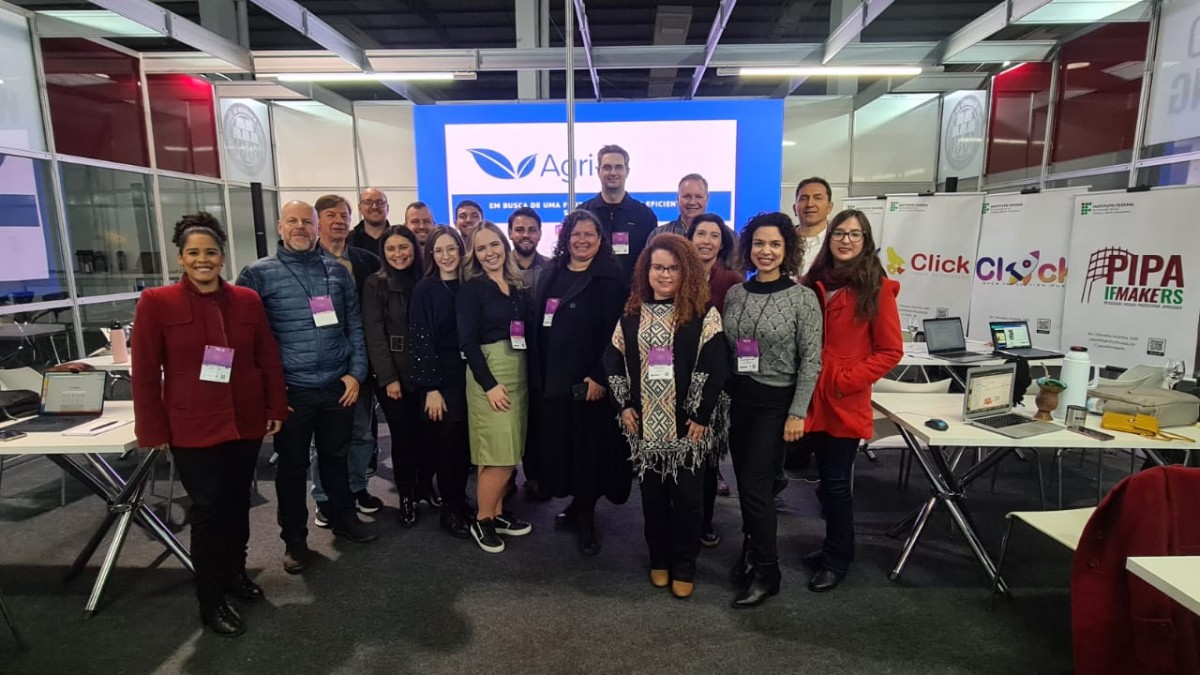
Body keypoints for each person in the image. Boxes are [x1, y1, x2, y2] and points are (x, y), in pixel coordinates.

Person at [132, 213, 287, 637]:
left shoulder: (246, 301)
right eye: (194, 253)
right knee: (208, 510)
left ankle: (235, 575)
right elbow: (144, 371)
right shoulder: (156, 302)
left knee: (238, 503)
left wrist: (276, 404)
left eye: (211, 252)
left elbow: (266, 357)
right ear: (180, 258)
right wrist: (152, 430)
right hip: (191, 425)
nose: (204, 260)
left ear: (222, 256)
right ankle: (210, 597)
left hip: (244, 419)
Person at [238, 200, 378, 576]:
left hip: (337, 386)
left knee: (337, 457)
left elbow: (355, 327)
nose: (300, 227)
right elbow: (247, 340)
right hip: (291, 393)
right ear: (280, 227)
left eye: (307, 222)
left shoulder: (337, 271)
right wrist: (272, 394)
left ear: (317, 228)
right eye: (293, 221)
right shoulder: (257, 275)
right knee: (292, 469)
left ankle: (343, 519)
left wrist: (356, 373)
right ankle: (295, 541)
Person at [603, 234, 730, 599]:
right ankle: (659, 560)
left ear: (686, 271)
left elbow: (714, 366)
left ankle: (685, 565)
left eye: (673, 268)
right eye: (658, 267)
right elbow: (612, 357)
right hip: (645, 430)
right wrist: (623, 404)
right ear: (646, 269)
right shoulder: (631, 313)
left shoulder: (702, 314)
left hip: (686, 430)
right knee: (653, 501)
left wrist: (702, 416)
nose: (664, 274)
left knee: (689, 503)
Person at [722, 211, 823, 608]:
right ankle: (751, 550)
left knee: (755, 488)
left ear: (788, 250)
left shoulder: (802, 298)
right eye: (760, 244)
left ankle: (768, 571)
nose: (766, 251)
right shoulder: (735, 294)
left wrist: (797, 412)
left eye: (775, 244)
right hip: (739, 401)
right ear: (749, 248)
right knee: (749, 485)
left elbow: (811, 359)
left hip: (775, 403)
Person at [800, 209, 902, 592]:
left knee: (836, 483)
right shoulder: (815, 282)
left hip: (842, 400)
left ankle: (839, 558)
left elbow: (890, 351)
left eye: (854, 234)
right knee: (816, 481)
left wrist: (845, 380)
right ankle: (833, 545)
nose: (845, 240)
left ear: (866, 240)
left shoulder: (877, 288)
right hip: (808, 397)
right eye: (840, 233)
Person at [531, 210, 630, 556]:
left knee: (589, 452)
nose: (582, 240)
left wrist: (600, 377)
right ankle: (576, 504)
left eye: (590, 234)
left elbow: (616, 334)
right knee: (563, 449)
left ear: (600, 240)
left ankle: (586, 516)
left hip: (590, 384)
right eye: (576, 233)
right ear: (565, 237)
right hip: (554, 380)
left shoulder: (610, 278)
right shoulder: (552, 272)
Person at [457, 222, 535, 553]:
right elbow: (468, 343)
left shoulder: (517, 286)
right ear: (473, 254)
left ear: (504, 245)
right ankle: (483, 518)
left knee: (509, 448)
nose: (490, 253)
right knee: (498, 453)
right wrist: (489, 385)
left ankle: (498, 512)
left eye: (494, 245)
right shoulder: (472, 289)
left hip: (518, 370)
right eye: (481, 248)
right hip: (489, 373)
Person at [362, 225, 441, 527]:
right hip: (395, 375)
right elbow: (375, 333)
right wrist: (388, 377)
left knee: (430, 436)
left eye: (403, 247)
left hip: (429, 373)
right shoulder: (375, 283)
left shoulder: (428, 279)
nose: (398, 254)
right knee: (404, 439)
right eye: (391, 249)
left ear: (415, 248)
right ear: (384, 252)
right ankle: (406, 496)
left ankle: (425, 486)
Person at [312, 194, 384, 525]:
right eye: (331, 215)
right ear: (318, 222)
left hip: (361, 362)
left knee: (362, 434)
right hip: (320, 366)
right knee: (325, 438)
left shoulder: (367, 261)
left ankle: (356, 487)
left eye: (344, 215)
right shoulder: (306, 262)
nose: (339, 221)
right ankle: (325, 497)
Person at [409, 227, 474, 538]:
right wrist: (430, 389)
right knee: (449, 446)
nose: (446, 256)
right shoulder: (425, 289)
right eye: (439, 251)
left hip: (471, 375)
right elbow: (420, 341)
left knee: (464, 445)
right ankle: (450, 509)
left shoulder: (470, 284)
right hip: (442, 379)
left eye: (452, 249)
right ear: (431, 255)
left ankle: (460, 500)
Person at [686, 212, 743, 545]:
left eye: (713, 236)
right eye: (700, 234)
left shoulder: (732, 281)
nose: (706, 241)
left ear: (722, 243)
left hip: (715, 383)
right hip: (676, 379)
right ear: (689, 237)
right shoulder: (675, 274)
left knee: (707, 460)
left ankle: (705, 521)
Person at [578, 144, 658, 284]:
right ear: (598, 171)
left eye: (619, 167)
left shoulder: (645, 215)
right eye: (607, 167)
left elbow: (652, 260)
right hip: (590, 297)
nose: (613, 173)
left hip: (632, 298)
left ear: (627, 171)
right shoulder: (583, 213)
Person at [793, 177, 835, 279]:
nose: (810, 204)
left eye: (817, 198)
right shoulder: (782, 240)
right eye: (804, 198)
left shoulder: (839, 242)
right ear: (795, 208)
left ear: (830, 207)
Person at [649, 174, 710, 241]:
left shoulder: (720, 235)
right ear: (677, 198)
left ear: (707, 199)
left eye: (698, 197)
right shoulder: (659, 235)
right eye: (686, 196)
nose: (692, 202)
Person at [348, 188, 391, 256]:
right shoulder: (347, 239)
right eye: (368, 202)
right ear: (360, 208)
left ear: (387, 208)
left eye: (380, 202)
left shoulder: (398, 237)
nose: (375, 207)